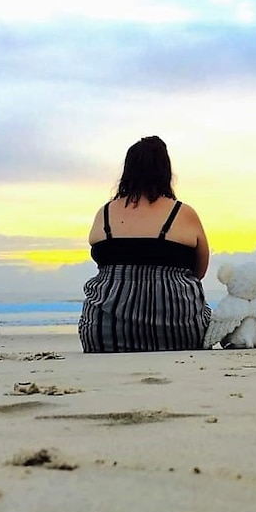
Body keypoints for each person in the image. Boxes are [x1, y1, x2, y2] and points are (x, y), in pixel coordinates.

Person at [79, 136, 212, 353]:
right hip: (177, 332)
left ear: (127, 171)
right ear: (166, 172)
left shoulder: (105, 213)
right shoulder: (183, 213)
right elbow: (200, 271)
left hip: (105, 332)